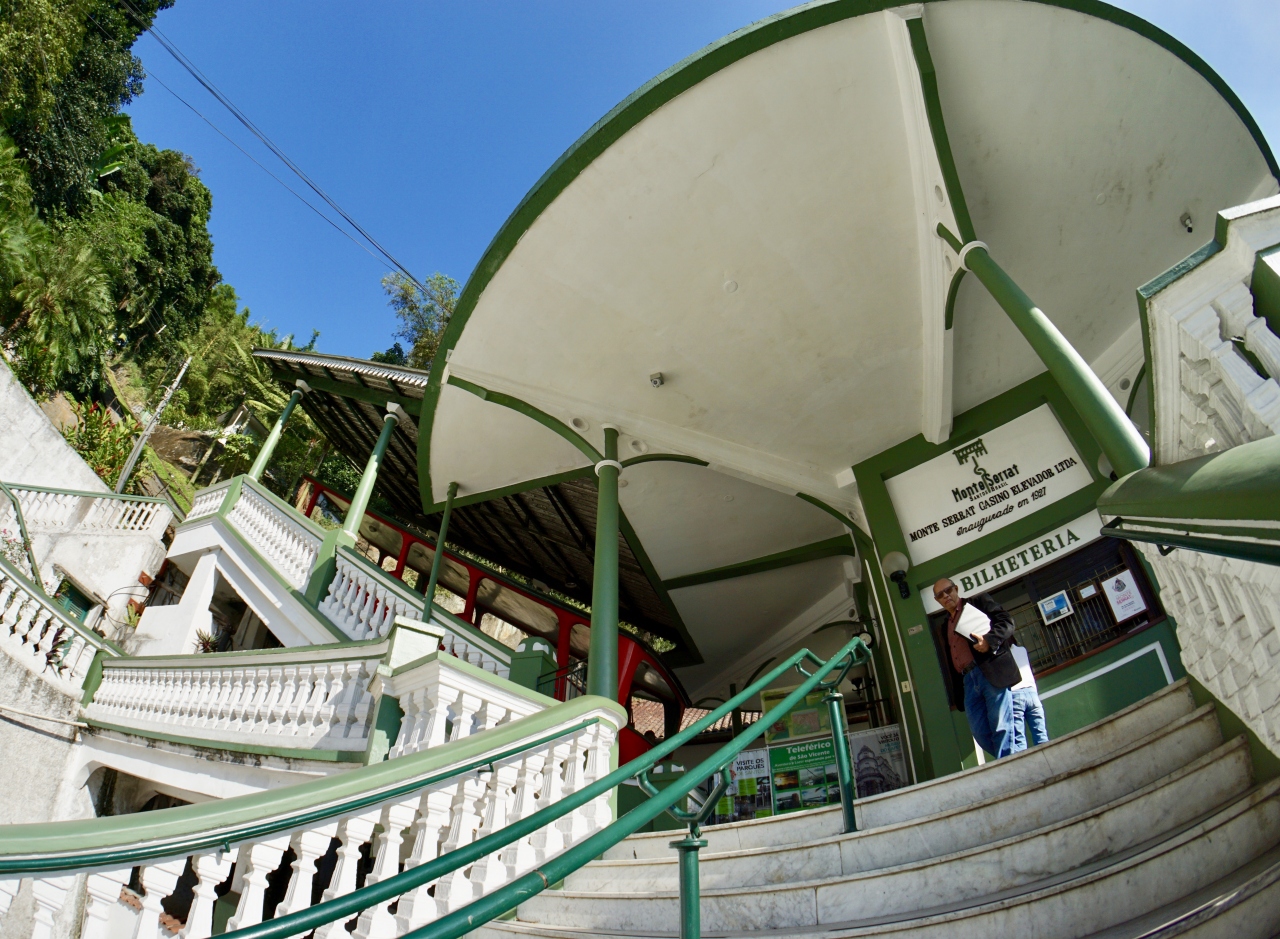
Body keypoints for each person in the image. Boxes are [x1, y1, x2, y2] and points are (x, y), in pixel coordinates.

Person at [933, 578, 1022, 759]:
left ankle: (1010, 764)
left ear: (956, 589)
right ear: (937, 600)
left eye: (948, 591)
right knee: (980, 732)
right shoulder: (945, 626)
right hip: (967, 681)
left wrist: (989, 641)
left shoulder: (978, 603)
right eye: (940, 595)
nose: (946, 596)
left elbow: (1007, 622)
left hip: (988, 671)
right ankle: (1012, 758)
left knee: (1000, 725)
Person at [1010, 643, 1049, 750]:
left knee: (1019, 740)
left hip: (1014, 694)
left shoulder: (1000, 655)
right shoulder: (1022, 649)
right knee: (1041, 736)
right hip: (1032, 693)